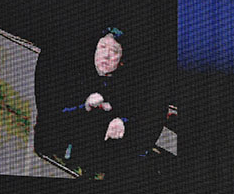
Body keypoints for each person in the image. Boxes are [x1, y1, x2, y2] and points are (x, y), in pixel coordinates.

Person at [32, 26, 161, 175]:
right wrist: (85, 107)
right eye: (103, 47)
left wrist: (122, 122)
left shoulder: (129, 89)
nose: (106, 55)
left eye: (114, 51)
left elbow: (142, 118)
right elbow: (52, 115)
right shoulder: (76, 78)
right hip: (56, 156)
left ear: (121, 60)